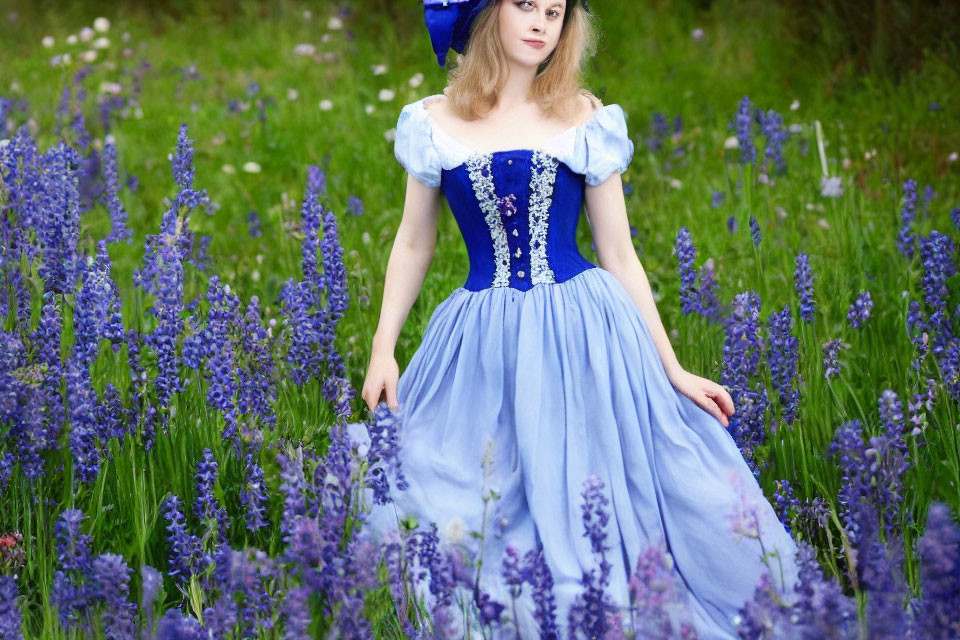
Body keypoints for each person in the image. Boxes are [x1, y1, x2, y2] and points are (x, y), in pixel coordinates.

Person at [346, 1, 799, 638]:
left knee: (609, 492)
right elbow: (414, 241)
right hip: (483, 336)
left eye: (555, 12)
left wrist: (672, 369)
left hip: (585, 332)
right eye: (525, 5)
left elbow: (619, 253)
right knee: (441, 484)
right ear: (486, 15)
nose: (540, 23)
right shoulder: (432, 120)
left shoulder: (581, 115)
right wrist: (382, 347)